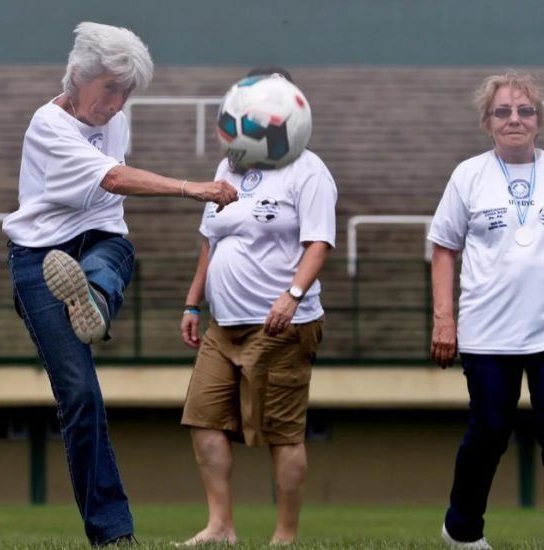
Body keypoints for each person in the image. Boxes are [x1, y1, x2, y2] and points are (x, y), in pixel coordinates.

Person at [2, 21, 237, 546]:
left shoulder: (117, 120)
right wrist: (191, 188)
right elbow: (111, 178)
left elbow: (109, 199)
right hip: (39, 258)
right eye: (110, 89)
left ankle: (96, 302)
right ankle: (113, 534)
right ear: (79, 77)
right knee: (81, 396)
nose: (117, 103)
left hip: (101, 242)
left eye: (126, 92)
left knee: (116, 251)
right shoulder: (49, 125)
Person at [178, 67, 337, 546]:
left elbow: (318, 243)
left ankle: (284, 535)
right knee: (203, 421)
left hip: (281, 328)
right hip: (222, 327)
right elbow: (211, 241)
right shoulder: (229, 167)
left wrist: (292, 296)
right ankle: (220, 526)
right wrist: (192, 303)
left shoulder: (308, 170)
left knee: (283, 434)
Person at [429, 71, 544, 549]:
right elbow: (444, 248)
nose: (515, 119)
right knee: (490, 430)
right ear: (487, 121)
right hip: (487, 332)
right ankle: (462, 530)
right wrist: (444, 319)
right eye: (503, 111)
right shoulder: (468, 175)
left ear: (540, 120)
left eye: (524, 110)